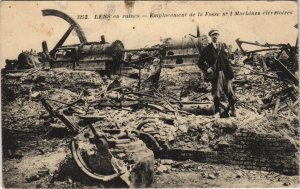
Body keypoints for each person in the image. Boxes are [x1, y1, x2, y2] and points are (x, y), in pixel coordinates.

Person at [197, 29, 236, 117]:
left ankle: (233, 110)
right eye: (213, 35)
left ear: (218, 35)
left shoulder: (224, 45)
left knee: (230, 92)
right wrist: (207, 69)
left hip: (226, 73)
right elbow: (200, 62)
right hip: (216, 74)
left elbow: (229, 57)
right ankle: (217, 112)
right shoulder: (207, 49)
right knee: (216, 94)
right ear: (210, 37)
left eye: (216, 34)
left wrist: (231, 61)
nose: (215, 36)